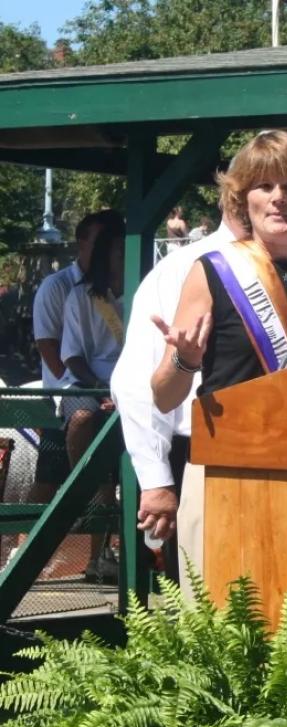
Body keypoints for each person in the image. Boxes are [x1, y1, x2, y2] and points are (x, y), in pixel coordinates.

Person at [150, 130, 287, 578]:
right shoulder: (211, 272)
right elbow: (164, 397)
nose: (279, 198)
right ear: (244, 198)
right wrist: (185, 359)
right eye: (265, 186)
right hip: (228, 472)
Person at [110, 208, 245, 581]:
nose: (277, 197)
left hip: (285, 460)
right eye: (261, 184)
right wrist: (156, 479)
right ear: (231, 195)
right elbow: (137, 380)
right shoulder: (182, 267)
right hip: (199, 456)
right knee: (205, 597)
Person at [29, 210, 115, 502]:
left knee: (110, 480)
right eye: (99, 242)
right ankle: (23, 545)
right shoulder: (57, 286)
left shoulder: (120, 286)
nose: (105, 251)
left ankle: (104, 543)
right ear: (81, 242)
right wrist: (75, 392)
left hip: (105, 391)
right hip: (65, 394)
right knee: (48, 481)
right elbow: (49, 347)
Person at [60, 211, 126, 581]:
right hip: (86, 386)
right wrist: (102, 391)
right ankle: (81, 491)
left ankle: (117, 556)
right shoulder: (80, 298)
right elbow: (71, 356)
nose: (121, 257)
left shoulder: (143, 292)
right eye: (115, 250)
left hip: (133, 389)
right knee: (84, 419)